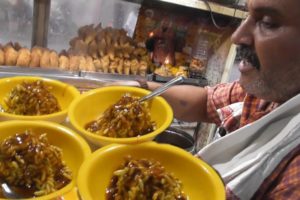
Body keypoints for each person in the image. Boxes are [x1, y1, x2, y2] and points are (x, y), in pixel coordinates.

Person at [112, 0, 300, 199]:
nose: (237, 37)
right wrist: (142, 88)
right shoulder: (270, 92)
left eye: (268, 22)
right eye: (247, 15)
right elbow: (204, 101)